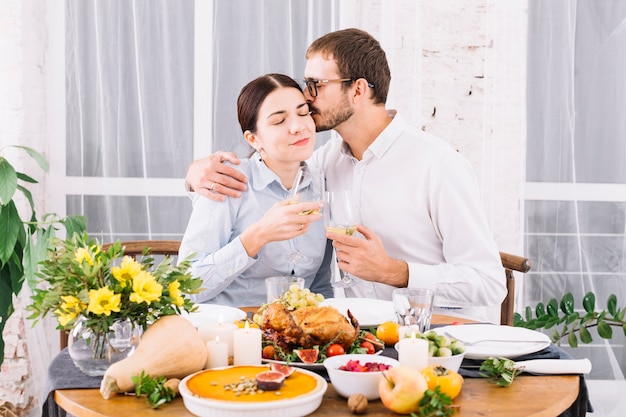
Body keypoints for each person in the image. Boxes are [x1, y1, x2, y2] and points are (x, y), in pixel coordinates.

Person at [185, 29, 506, 323]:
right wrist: (193, 176)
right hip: (356, 339)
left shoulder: (438, 165)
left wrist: (395, 272)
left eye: (316, 85)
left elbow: (490, 284)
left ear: (359, 90)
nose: (307, 98)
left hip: (437, 338)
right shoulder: (323, 165)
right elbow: (266, 175)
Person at [178, 73, 334, 307]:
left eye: (303, 113)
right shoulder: (227, 180)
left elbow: (320, 285)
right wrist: (259, 234)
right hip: (229, 331)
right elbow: (186, 287)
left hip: (292, 336)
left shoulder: (322, 184)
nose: (298, 127)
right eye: (279, 121)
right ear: (253, 139)